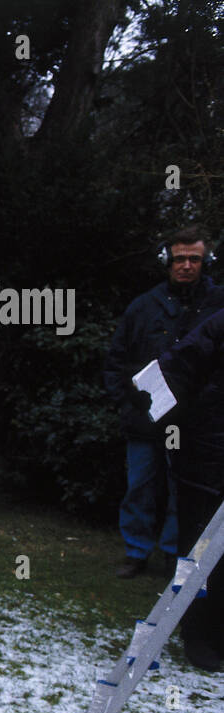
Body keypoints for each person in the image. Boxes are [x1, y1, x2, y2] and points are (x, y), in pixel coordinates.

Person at [104, 226, 224, 578]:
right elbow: (116, 361)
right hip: (144, 421)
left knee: (184, 492)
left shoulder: (218, 306)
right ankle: (136, 552)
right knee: (139, 487)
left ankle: (177, 556)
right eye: (179, 259)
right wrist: (127, 403)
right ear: (167, 262)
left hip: (195, 424)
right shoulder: (143, 307)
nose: (186, 265)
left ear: (207, 261)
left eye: (195, 259)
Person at [155, 298, 224, 671]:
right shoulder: (215, 326)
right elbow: (172, 371)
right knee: (201, 553)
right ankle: (199, 638)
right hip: (208, 461)